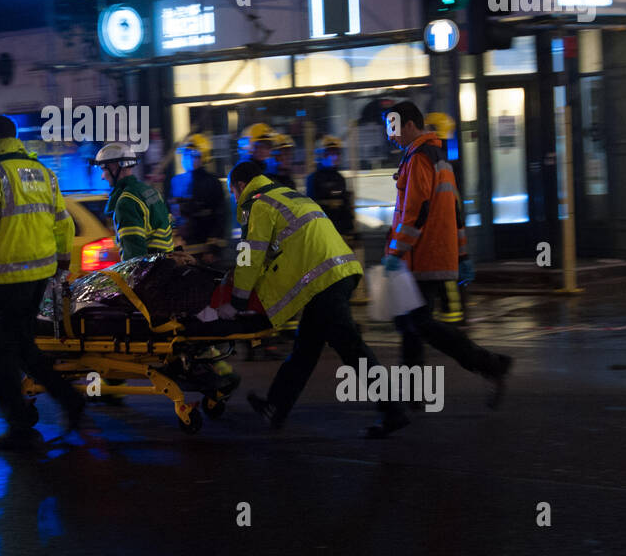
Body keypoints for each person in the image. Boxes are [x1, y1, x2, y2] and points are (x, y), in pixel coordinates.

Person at [230, 162, 409, 438]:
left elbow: (250, 254)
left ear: (241, 186)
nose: (234, 197)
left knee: (351, 348)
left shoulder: (259, 204)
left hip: (324, 280)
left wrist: (239, 297)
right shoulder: (287, 194)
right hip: (337, 272)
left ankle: (393, 410)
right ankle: (275, 408)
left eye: (233, 191)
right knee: (305, 349)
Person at [0, 114, 86, 451]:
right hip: (38, 277)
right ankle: (70, 402)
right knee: (24, 347)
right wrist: (62, 265)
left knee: (0, 355)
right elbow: (64, 224)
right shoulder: (43, 173)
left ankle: (20, 427)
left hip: (7, 278)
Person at [381, 101, 512, 408]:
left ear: (410, 124)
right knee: (412, 326)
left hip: (419, 258)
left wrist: (396, 252)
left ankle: (490, 364)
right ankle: (413, 394)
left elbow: (414, 212)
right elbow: (454, 212)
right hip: (431, 255)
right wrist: (463, 255)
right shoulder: (439, 158)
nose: (391, 136)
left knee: (421, 325)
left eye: (394, 127)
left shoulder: (419, 159)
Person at [93, 142, 174, 259]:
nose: (102, 176)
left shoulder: (126, 202)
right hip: (165, 263)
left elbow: (133, 256)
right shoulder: (150, 191)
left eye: (103, 170)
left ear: (115, 167)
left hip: (151, 270)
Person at [167, 134, 230, 265]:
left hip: (206, 250)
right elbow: (170, 214)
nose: (188, 158)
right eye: (185, 154)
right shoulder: (176, 182)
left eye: (193, 155)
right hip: (182, 249)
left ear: (204, 157)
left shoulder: (212, 182)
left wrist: (213, 250)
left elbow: (220, 217)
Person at [307, 136, 355, 240]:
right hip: (322, 234)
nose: (336, 157)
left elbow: (345, 206)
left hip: (339, 233)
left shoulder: (340, 178)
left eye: (337, 153)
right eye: (332, 153)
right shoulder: (314, 178)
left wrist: (350, 230)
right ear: (322, 155)